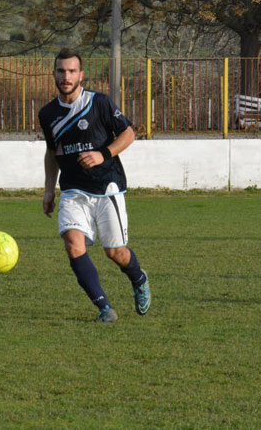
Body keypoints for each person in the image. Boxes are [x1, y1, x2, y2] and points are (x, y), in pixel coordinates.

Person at [39, 48, 150, 323]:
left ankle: (138, 278)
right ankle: (104, 308)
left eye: (71, 71)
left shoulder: (98, 102)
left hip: (106, 187)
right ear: (54, 74)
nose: (66, 77)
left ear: (81, 75)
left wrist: (104, 154)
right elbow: (52, 152)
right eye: (61, 71)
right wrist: (49, 189)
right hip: (73, 190)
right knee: (73, 245)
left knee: (115, 253)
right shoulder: (48, 113)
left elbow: (129, 133)